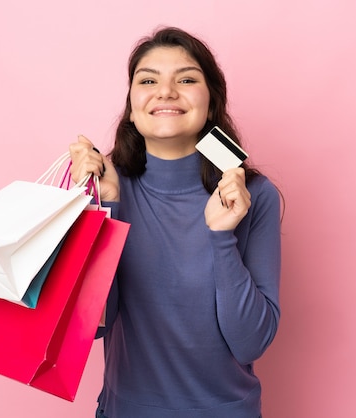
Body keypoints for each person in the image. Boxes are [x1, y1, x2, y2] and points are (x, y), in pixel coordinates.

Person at [68, 26, 281, 418]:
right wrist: (107, 209)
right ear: (132, 106)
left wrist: (222, 236)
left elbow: (251, 341)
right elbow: (93, 325)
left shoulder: (254, 195)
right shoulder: (102, 187)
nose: (165, 91)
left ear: (212, 103)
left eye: (185, 79)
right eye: (148, 80)